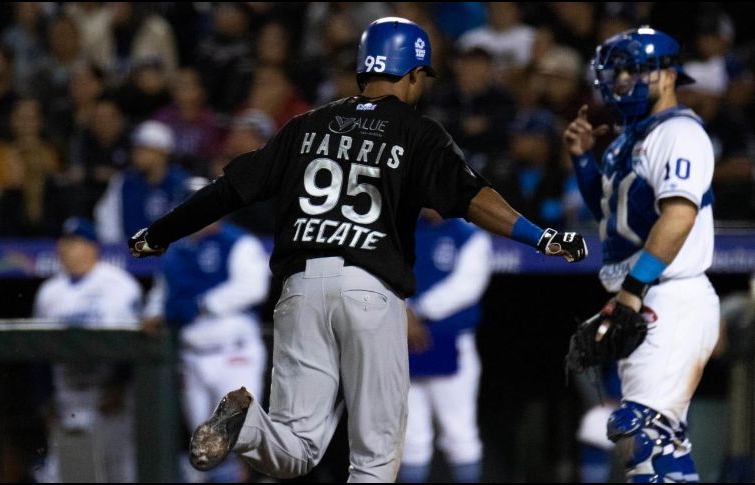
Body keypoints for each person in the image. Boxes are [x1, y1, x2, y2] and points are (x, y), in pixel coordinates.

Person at [129, 17, 587, 482]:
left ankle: (246, 426)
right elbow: (474, 199)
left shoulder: (304, 126)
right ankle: (250, 427)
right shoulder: (416, 131)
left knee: (294, 450)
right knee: (375, 458)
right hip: (370, 289)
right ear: (411, 73)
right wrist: (542, 236)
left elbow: (227, 190)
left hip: (299, 291)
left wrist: (159, 233)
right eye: (420, 77)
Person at [564, 27, 719, 482]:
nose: (623, 81)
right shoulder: (627, 139)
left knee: (650, 437)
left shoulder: (679, 132)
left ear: (668, 75)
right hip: (643, 293)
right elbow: (615, 217)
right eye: (618, 73)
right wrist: (583, 161)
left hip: (670, 293)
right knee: (647, 443)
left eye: (635, 71)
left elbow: (678, 218)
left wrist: (631, 291)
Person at [142, 177, 270, 482]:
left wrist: (203, 304)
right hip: (193, 357)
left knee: (236, 441)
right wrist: (153, 313)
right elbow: (161, 294)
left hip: (234, 353)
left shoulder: (239, 242)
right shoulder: (174, 251)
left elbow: (253, 287)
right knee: (203, 447)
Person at [33, 217, 143, 482]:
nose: (64, 248)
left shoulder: (119, 285)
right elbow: (36, 350)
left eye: (73, 242)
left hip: (108, 396)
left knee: (118, 471)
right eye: (62, 242)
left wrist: (119, 384)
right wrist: (44, 398)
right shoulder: (49, 292)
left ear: (92, 247)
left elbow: (136, 343)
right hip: (67, 397)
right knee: (64, 473)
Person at [398, 209, 492, 483]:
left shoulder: (469, 235)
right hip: (402, 342)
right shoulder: (403, 229)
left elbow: (466, 287)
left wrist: (415, 312)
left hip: (452, 342)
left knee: (459, 433)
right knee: (411, 438)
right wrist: (400, 311)